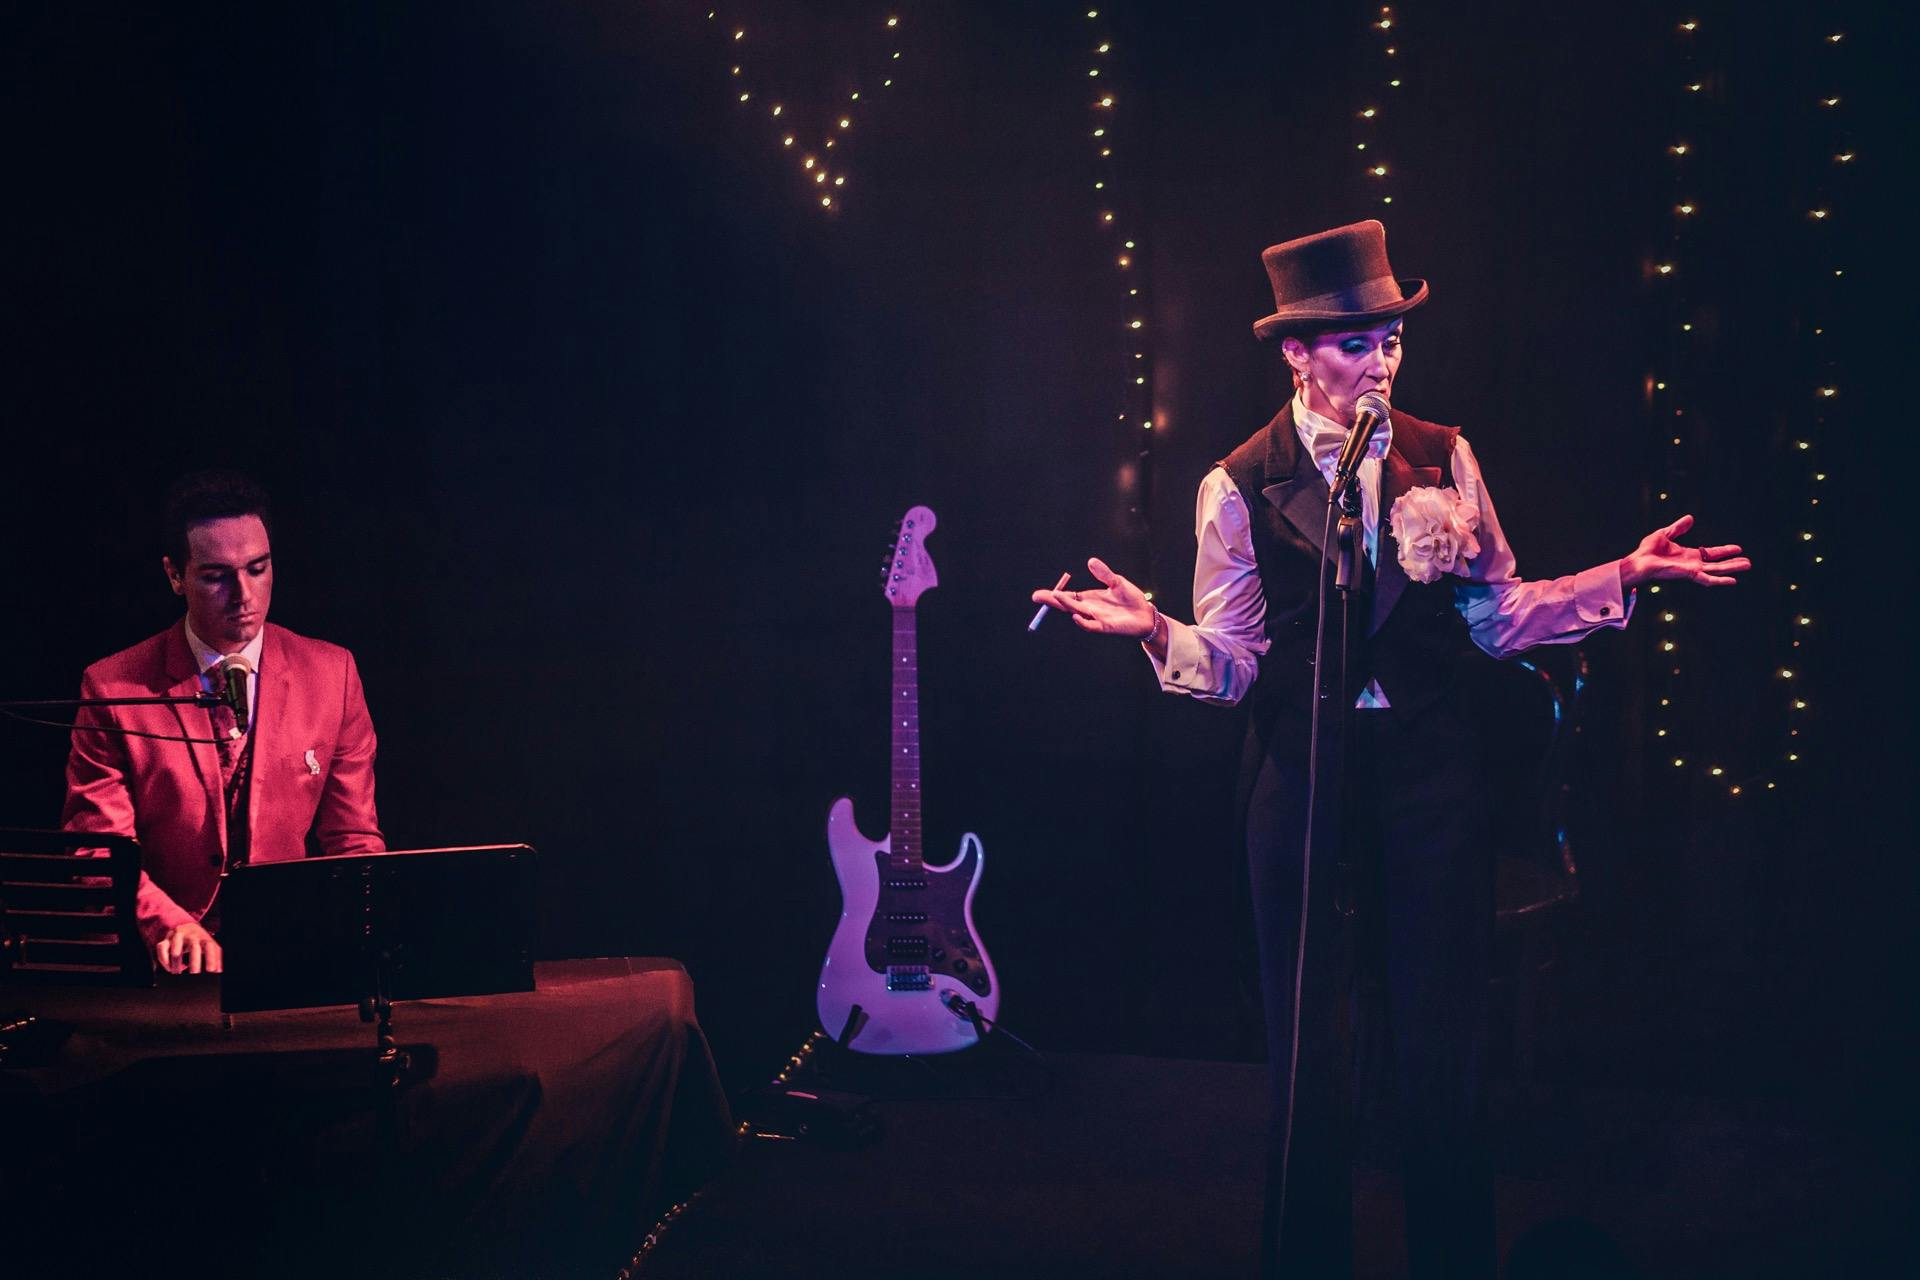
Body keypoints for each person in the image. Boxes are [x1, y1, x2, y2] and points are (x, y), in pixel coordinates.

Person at [1032, 220, 1749, 1277]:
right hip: (1301, 775)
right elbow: (1236, 660)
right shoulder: (1240, 481)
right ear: (1297, 353)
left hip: (1427, 774)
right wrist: (1156, 632)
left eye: (1392, 340)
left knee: (1439, 1049)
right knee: (1305, 1054)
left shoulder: (1443, 454)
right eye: (1356, 343)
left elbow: (1498, 615)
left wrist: (1622, 575)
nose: (1381, 362)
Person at [62, 471, 384, 976]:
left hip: (289, 955)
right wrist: (168, 925)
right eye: (216, 576)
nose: (243, 594)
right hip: (160, 968)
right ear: (175, 576)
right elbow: (97, 850)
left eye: (258, 568)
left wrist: (359, 934)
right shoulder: (112, 687)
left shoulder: (332, 673)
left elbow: (353, 839)